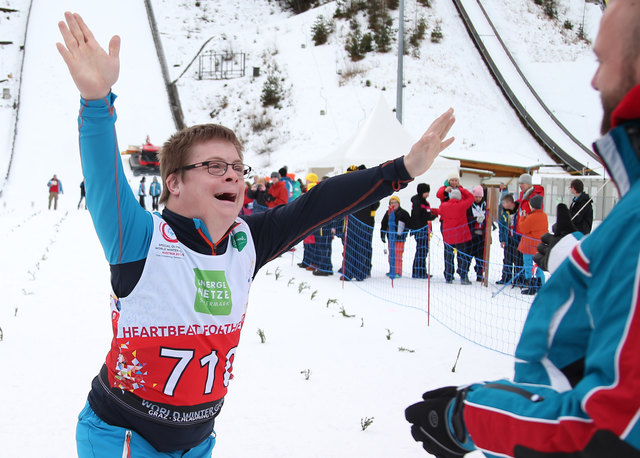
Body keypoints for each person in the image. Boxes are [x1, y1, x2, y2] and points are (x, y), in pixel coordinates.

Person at [57, 11, 456, 456]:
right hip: (124, 436)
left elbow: (317, 204)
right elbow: (102, 185)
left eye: (236, 168)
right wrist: (96, 102)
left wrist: (400, 171)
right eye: (213, 166)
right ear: (174, 182)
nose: (232, 176)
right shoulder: (140, 239)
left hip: (197, 441)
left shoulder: (247, 242)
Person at [405, 0, 640, 455]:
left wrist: (469, 416)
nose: (594, 80)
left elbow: (610, 430)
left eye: (602, 61)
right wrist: (569, 253)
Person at [438, 187, 474, 284]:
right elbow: (471, 198)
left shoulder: (444, 205)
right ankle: (463, 276)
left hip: (448, 235)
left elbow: (439, 212)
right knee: (462, 256)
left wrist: (431, 211)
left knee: (448, 256)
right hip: (461, 235)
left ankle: (449, 276)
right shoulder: (462, 205)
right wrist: (462, 190)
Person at [516, 194, 547, 295]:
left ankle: (530, 285)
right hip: (540, 246)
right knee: (539, 266)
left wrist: (522, 218)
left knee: (528, 266)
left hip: (529, 246)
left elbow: (523, 228)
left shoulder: (531, 217)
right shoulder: (544, 216)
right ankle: (540, 284)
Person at [410, 183, 438, 279]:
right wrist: (431, 216)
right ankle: (418, 272)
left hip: (425, 229)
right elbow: (418, 217)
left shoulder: (424, 202)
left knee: (424, 250)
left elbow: (426, 214)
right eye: (426, 192)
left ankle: (421, 270)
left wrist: (432, 215)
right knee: (421, 250)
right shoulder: (418, 203)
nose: (427, 194)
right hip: (420, 230)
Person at [381, 196, 411, 279]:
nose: (393, 204)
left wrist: (405, 234)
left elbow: (408, 224)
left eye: (395, 202)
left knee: (398, 255)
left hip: (400, 238)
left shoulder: (404, 213)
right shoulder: (388, 213)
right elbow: (383, 224)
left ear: (398, 203)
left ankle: (397, 271)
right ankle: (392, 270)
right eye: (391, 203)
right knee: (391, 255)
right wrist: (382, 235)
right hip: (390, 237)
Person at [496, 193, 519, 285]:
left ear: (510, 202)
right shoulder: (504, 214)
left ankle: (518, 279)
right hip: (508, 239)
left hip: (518, 239)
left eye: (504, 203)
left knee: (518, 259)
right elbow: (501, 228)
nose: (503, 205)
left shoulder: (519, 211)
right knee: (507, 259)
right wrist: (502, 240)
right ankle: (506, 277)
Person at [467, 185, 487, 282]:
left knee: (480, 257)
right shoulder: (469, 205)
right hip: (471, 234)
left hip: (481, 235)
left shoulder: (485, 205)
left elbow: (488, 218)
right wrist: (475, 219)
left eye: (479, 197)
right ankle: (464, 272)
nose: (478, 199)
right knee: (469, 255)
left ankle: (480, 274)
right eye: (476, 197)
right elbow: (467, 218)